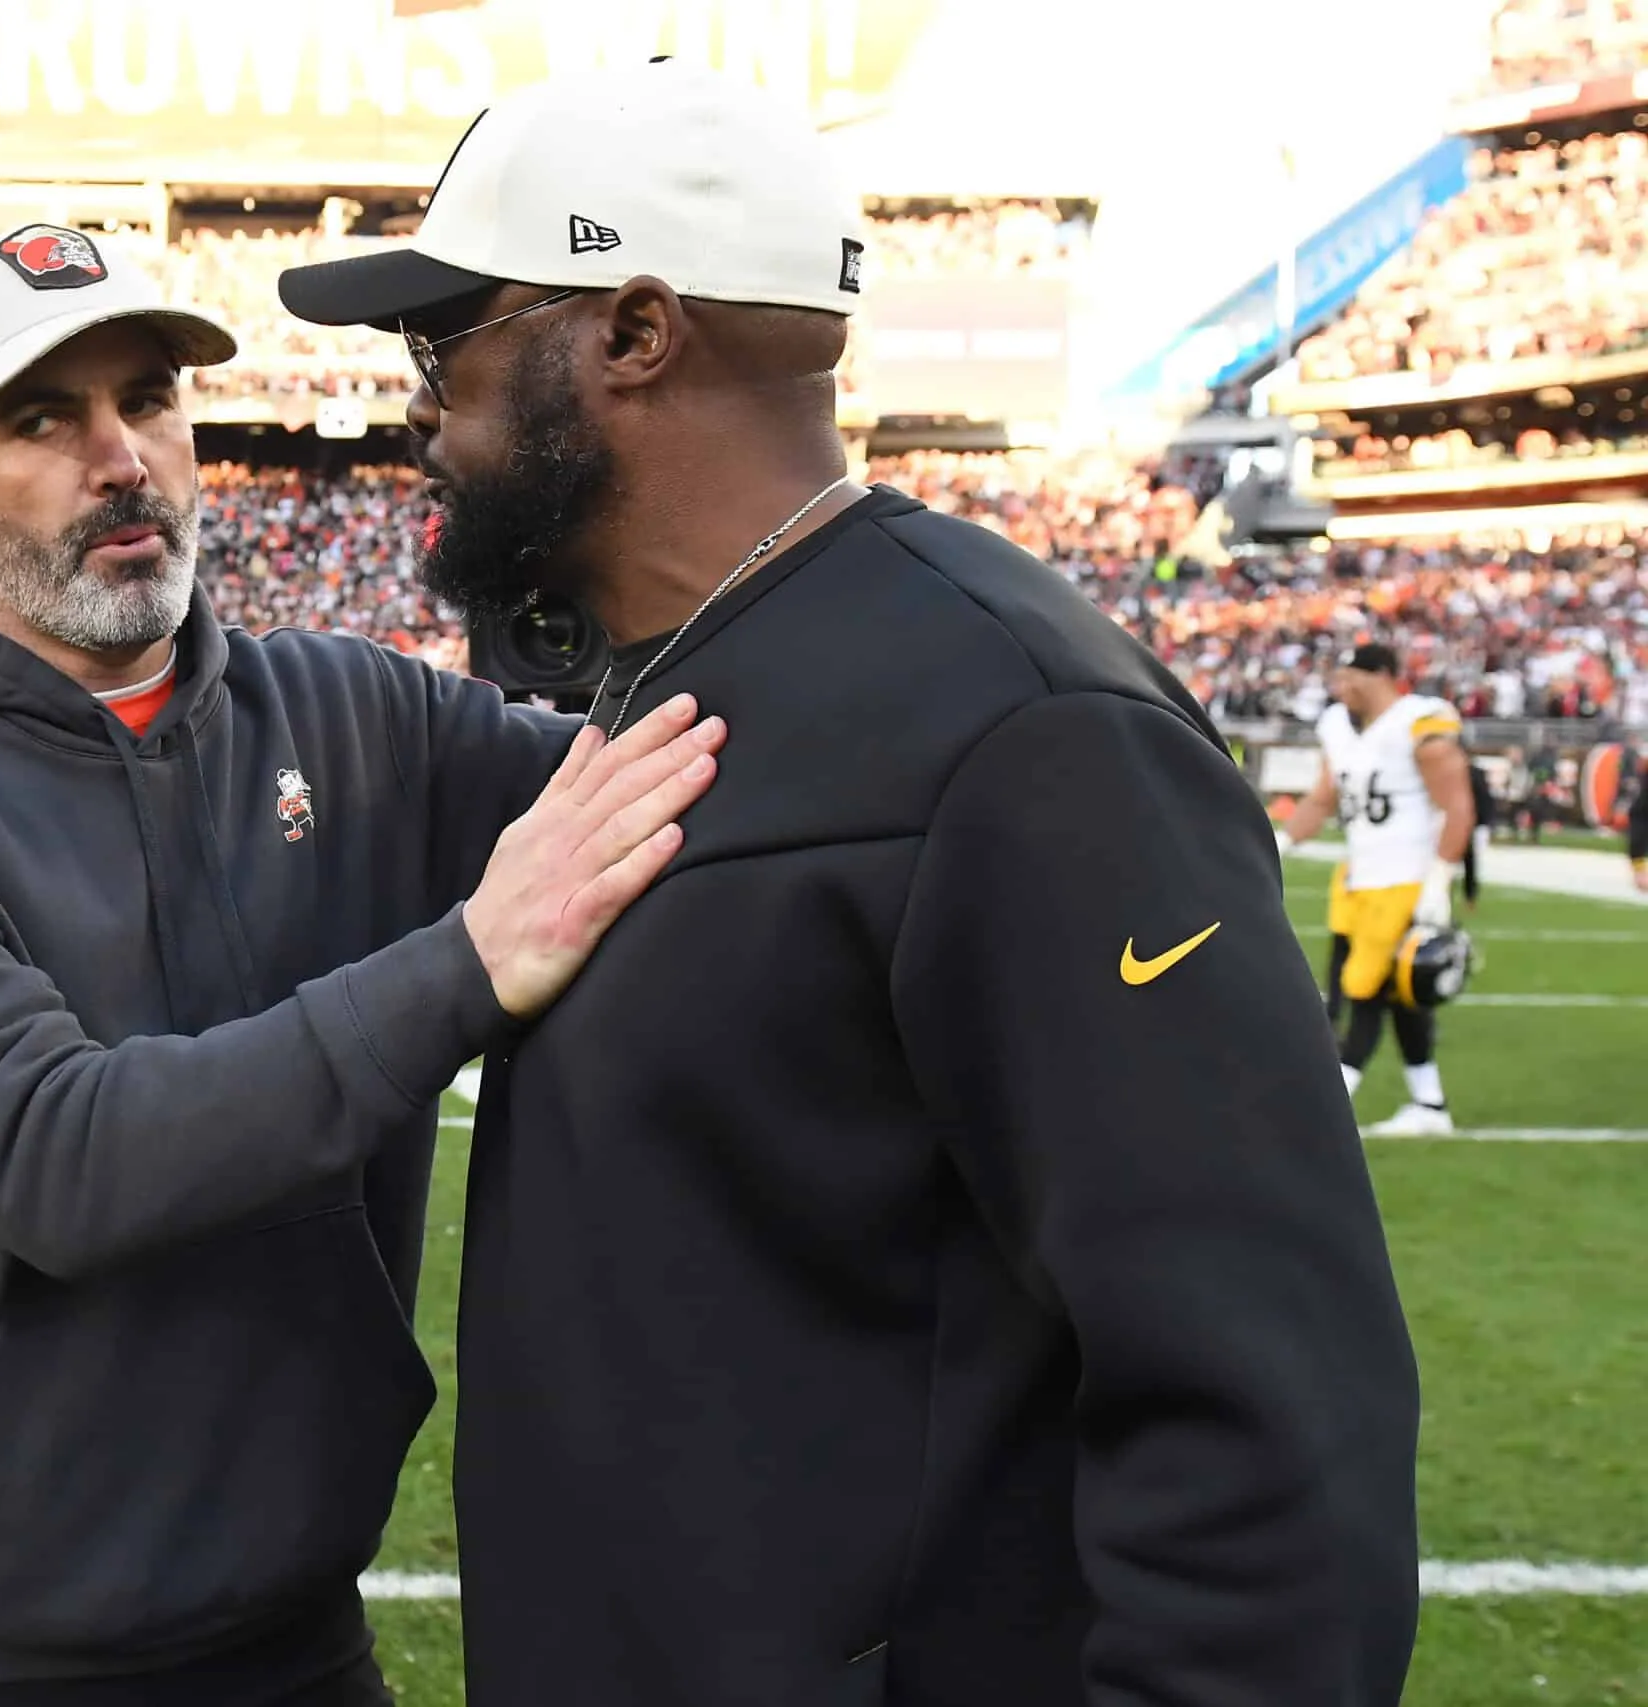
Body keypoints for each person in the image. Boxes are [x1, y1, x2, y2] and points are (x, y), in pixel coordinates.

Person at [280, 60, 1421, 1707]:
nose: (421, 409)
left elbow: (1266, 1413)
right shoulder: (686, 672)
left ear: (633, 330)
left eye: (447, 340)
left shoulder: (1021, 724)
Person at [0, 226, 722, 1705]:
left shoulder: (353, 709)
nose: (117, 455)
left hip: (293, 1628)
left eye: (148, 398)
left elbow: (685, 788)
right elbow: (58, 1156)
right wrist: (469, 961)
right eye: (43, 418)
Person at [1282, 642, 1474, 1134]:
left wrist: (1438, 881)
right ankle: (1430, 1105)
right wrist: (1279, 841)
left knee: (1362, 989)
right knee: (1395, 996)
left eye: (1352, 677)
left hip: (1405, 878)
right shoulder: (1337, 726)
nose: (1342, 687)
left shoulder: (1421, 722)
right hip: (1358, 876)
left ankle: (1328, 1104)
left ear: (1383, 675)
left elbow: (1458, 807)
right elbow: (1323, 798)